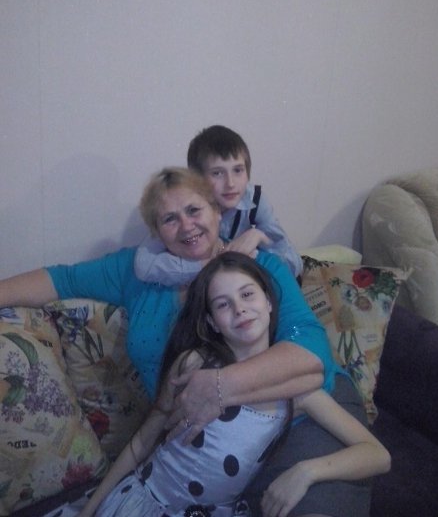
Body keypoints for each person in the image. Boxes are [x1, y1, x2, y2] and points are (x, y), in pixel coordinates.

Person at [0, 166, 362, 516]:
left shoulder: (257, 268)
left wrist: (220, 385)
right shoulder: (139, 272)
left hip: (303, 421)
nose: (186, 225)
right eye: (169, 219)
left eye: (194, 210)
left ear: (217, 211)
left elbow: (312, 354)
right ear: (157, 231)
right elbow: (61, 279)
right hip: (207, 453)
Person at [77, 252, 390, 517]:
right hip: (142, 504)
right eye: (223, 304)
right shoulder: (193, 364)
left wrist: (307, 471)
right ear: (212, 322)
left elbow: (377, 455)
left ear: (269, 301)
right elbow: (141, 444)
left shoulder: (296, 390)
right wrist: (90, 508)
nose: (239, 308)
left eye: (247, 294)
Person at [134, 125, 302, 286]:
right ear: (197, 178)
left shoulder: (254, 201)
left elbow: (294, 264)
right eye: (217, 173)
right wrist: (213, 263)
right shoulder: (186, 205)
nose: (230, 183)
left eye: (238, 170)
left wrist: (259, 236)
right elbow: (144, 264)